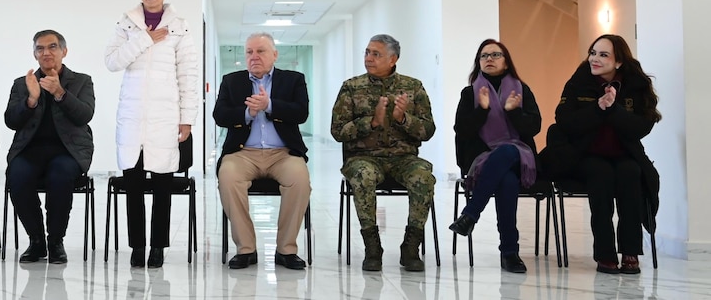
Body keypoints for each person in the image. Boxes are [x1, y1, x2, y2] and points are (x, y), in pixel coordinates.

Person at [539, 34, 661, 275]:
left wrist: (613, 110)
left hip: (624, 154)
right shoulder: (578, 81)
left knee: (632, 173)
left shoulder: (636, 84)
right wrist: (598, 108)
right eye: (593, 53)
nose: (594, 59)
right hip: (585, 155)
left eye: (603, 55)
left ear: (618, 62)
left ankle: (630, 251)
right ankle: (605, 255)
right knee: (600, 173)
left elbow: (642, 127)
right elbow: (564, 121)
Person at [104, 0, 198, 268]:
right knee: (132, 183)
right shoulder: (127, 24)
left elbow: (188, 75)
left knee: (162, 184)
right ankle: (137, 246)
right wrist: (145, 39)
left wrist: (187, 119)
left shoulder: (180, 28)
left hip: (165, 116)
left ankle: (157, 246)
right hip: (132, 116)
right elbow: (112, 62)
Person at [330, 33, 436, 272]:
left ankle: (411, 247)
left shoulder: (413, 87)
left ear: (393, 59)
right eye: (367, 52)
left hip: (404, 159)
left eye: (375, 54)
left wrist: (403, 119)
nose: (368, 58)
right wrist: (372, 122)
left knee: (424, 176)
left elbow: (428, 130)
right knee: (363, 175)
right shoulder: (351, 87)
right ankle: (372, 247)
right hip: (363, 158)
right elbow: (337, 131)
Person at [214, 32, 311, 271]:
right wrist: (248, 113)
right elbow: (220, 115)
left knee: (299, 179)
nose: (254, 57)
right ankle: (246, 249)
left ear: (275, 55)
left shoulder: (294, 80)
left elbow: (301, 113)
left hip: (283, 153)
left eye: (261, 51)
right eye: (249, 52)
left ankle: (286, 250)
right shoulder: (231, 81)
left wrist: (270, 106)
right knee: (228, 176)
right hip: (243, 152)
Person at [448, 39, 541, 273]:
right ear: (478, 63)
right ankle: (510, 253)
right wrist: (484, 110)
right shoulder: (470, 94)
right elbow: (463, 130)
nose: (489, 59)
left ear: (507, 62)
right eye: (484, 56)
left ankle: (470, 214)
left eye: (495, 55)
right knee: (506, 181)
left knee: (509, 150)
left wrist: (513, 112)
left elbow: (534, 127)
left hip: (519, 158)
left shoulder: (522, 90)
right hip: (481, 160)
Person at [5, 30, 96, 264]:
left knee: (60, 175)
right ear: (34, 54)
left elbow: (85, 115)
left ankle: (56, 241)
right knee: (17, 174)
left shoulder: (82, 81)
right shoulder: (22, 83)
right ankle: (36, 241)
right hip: (30, 151)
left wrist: (60, 93)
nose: (46, 53)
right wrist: (31, 100)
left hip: (69, 151)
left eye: (52, 47)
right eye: (40, 48)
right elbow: (11, 121)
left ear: (64, 51)